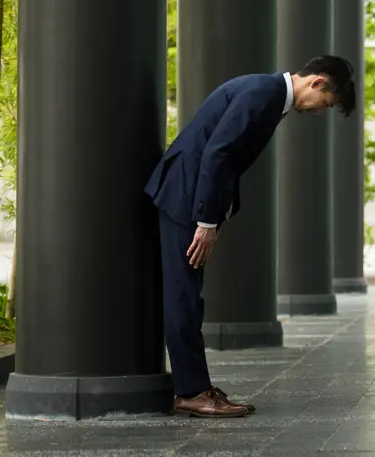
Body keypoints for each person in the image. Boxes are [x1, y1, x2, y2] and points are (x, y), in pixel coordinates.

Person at [143, 55, 356, 418]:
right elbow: (218, 154)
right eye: (327, 104)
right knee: (184, 297)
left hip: (186, 196)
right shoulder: (263, 93)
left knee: (185, 295)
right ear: (318, 82)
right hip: (186, 199)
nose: (320, 111)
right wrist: (206, 222)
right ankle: (191, 391)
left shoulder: (264, 90)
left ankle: (194, 386)